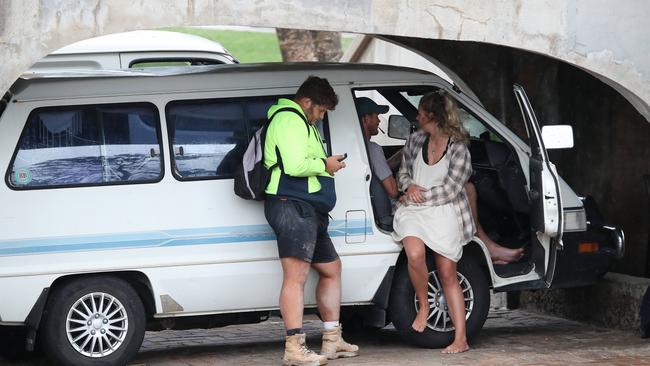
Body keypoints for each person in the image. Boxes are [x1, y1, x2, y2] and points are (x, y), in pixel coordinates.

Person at [356, 96, 523, 264]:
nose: (379, 120)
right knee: (467, 189)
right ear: (365, 119)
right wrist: (410, 192)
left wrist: (402, 161)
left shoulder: (362, 149)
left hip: (407, 199)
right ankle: (485, 246)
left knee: (468, 188)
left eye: (419, 113)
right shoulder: (374, 149)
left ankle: (487, 245)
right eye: (376, 115)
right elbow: (393, 190)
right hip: (399, 206)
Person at [263, 75, 359, 365]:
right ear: (307, 102)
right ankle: (294, 347)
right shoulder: (289, 120)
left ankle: (332, 339)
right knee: (296, 276)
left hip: (309, 209)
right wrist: (325, 165)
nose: (320, 117)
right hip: (291, 205)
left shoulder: (302, 122)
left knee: (331, 268)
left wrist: (324, 164)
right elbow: (293, 165)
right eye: (320, 111)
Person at [392, 90, 474, 354]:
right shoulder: (415, 140)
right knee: (414, 254)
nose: (417, 116)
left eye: (420, 112)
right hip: (413, 211)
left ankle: (460, 338)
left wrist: (419, 195)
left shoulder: (459, 148)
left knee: (448, 273)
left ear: (433, 116)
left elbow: (451, 189)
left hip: (443, 210)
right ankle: (424, 306)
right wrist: (409, 186)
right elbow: (402, 172)